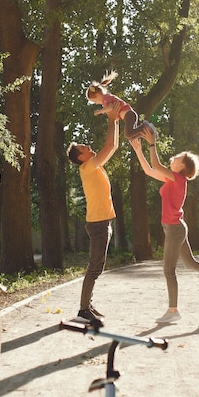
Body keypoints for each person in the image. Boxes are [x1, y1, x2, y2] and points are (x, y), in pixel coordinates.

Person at [130, 129, 199, 323]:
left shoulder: (178, 179)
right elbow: (149, 170)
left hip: (175, 228)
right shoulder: (172, 178)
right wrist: (138, 150)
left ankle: (173, 310)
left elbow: (155, 164)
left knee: (168, 270)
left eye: (178, 157)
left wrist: (152, 143)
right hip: (175, 227)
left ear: (183, 166)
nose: (174, 157)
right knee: (191, 263)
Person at [66, 100, 121, 324]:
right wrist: (111, 120)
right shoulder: (88, 167)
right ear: (81, 157)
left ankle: (86, 305)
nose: (90, 147)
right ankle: (82, 310)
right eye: (85, 148)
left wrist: (115, 121)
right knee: (94, 267)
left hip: (102, 223)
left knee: (97, 267)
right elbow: (109, 147)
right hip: (98, 224)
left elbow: (113, 146)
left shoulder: (93, 166)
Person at [87, 71, 156, 141]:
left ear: (98, 95)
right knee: (131, 137)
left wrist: (100, 111)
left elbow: (110, 107)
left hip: (129, 114)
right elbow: (114, 113)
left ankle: (144, 127)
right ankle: (147, 132)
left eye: (94, 101)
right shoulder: (106, 101)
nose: (96, 103)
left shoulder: (106, 99)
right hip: (128, 116)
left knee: (128, 134)